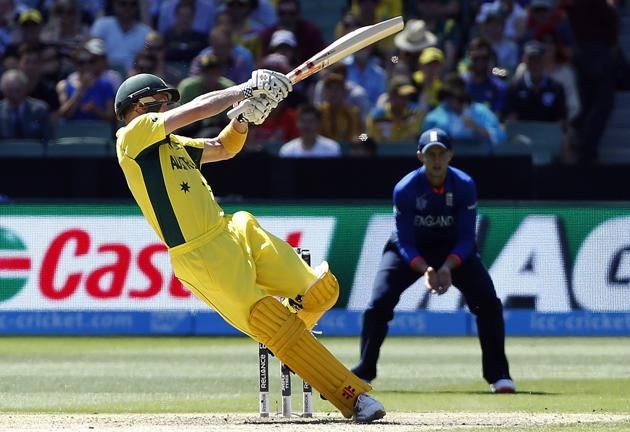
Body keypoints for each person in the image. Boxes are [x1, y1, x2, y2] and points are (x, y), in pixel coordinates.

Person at [113, 70, 385, 423]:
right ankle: (353, 397)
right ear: (134, 107)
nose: (164, 106)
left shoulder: (175, 146)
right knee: (268, 320)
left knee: (321, 291)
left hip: (233, 229)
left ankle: (285, 337)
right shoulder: (131, 139)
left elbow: (225, 148)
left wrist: (242, 119)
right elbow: (196, 110)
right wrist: (244, 90)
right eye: (157, 101)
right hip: (200, 255)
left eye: (166, 101)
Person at [351, 128, 515, 394]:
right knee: (378, 304)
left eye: (441, 154)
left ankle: (499, 375)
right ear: (420, 156)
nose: (436, 160)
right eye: (430, 154)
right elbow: (404, 241)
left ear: (451, 155)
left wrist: (448, 266)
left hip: (454, 250)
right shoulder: (405, 189)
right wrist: (425, 268)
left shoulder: (464, 185)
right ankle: (364, 371)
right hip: (410, 251)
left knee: (488, 304)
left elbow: (466, 239)